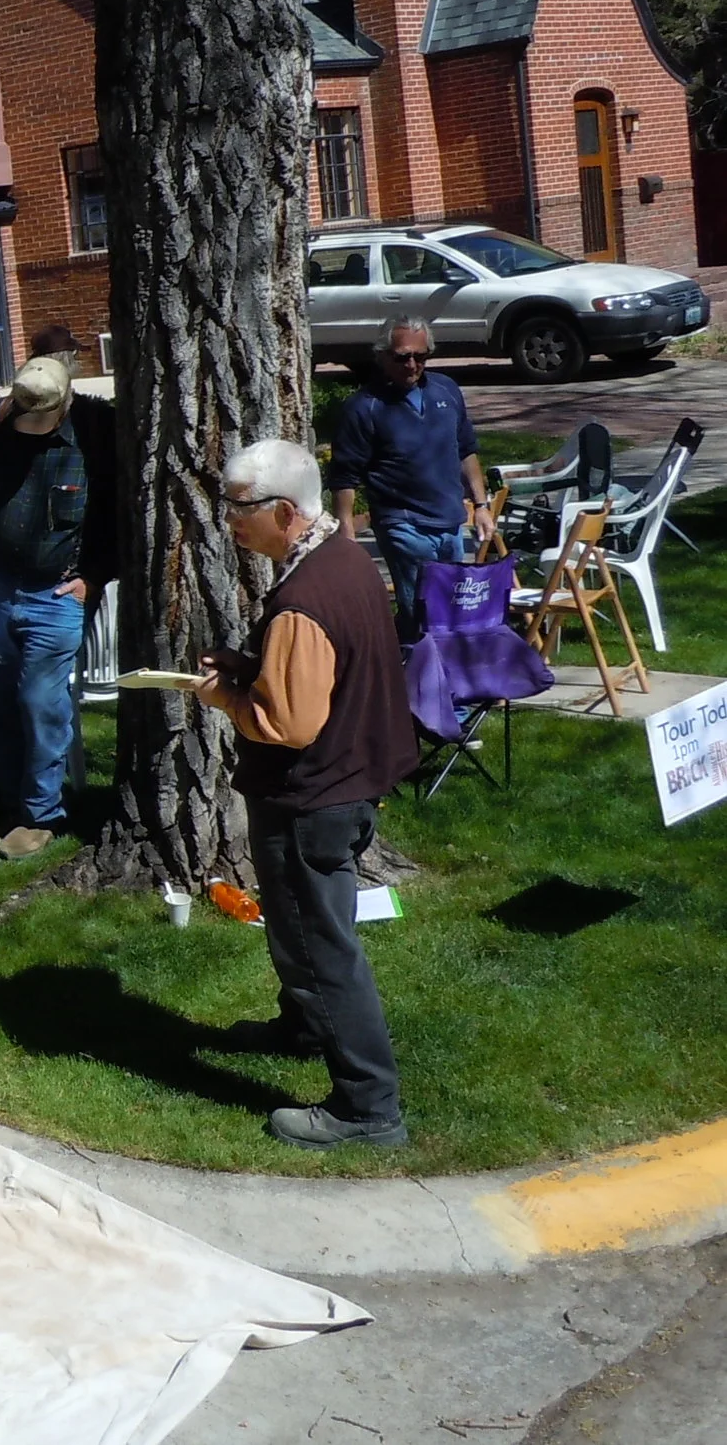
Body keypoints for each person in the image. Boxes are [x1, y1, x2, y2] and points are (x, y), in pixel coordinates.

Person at [189, 440, 416, 1150]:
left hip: (310, 797)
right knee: (302, 932)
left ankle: (367, 1108)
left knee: (322, 944)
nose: (228, 518)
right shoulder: (342, 557)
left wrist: (226, 692)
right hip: (351, 782)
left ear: (286, 512)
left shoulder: (301, 598)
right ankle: (303, 1027)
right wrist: (255, 663)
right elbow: (324, 669)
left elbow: (289, 722)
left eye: (239, 506)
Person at [0, 355, 118, 843]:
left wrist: (95, 578)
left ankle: (42, 815)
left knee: (40, 701)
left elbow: (125, 511)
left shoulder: (96, 433)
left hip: (59, 591)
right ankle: (11, 805)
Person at [328, 316, 489, 641]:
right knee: (421, 610)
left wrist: (481, 504)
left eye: (421, 356)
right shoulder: (364, 408)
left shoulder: (446, 391)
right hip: (404, 525)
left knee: (448, 611)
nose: (412, 364)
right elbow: (345, 474)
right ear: (383, 355)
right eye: (402, 357)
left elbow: (466, 451)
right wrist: (346, 529)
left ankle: (428, 677)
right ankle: (418, 682)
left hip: (450, 524)